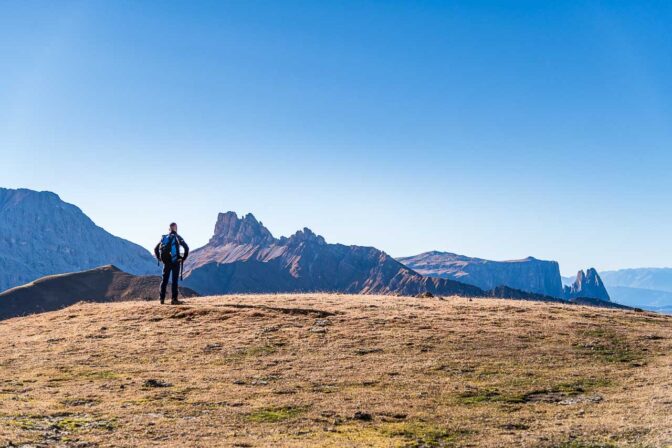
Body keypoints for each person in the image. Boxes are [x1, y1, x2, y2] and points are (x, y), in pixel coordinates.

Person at [154, 222, 189, 305]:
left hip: (166, 262)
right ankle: (174, 299)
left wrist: (159, 258)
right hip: (175, 262)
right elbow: (186, 248)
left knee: (164, 280)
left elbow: (156, 249)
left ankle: (161, 299)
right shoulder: (177, 237)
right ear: (176, 228)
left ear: (169, 228)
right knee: (174, 281)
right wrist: (183, 258)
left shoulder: (165, 238)